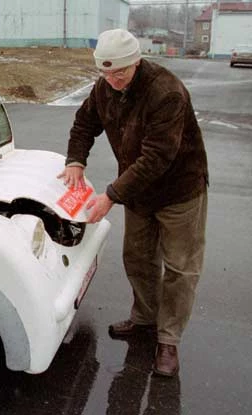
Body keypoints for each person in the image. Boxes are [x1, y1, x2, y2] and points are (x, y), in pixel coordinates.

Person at [58, 29, 208, 377]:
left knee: (180, 269)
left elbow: (157, 157)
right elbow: (84, 122)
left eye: (120, 73)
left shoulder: (165, 92)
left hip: (179, 191)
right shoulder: (105, 87)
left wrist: (110, 196)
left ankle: (168, 341)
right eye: (105, 73)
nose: (112, 80)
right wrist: (75, 160)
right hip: (138, 193)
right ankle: (144, 320)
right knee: (138, 258)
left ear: (136, 63)